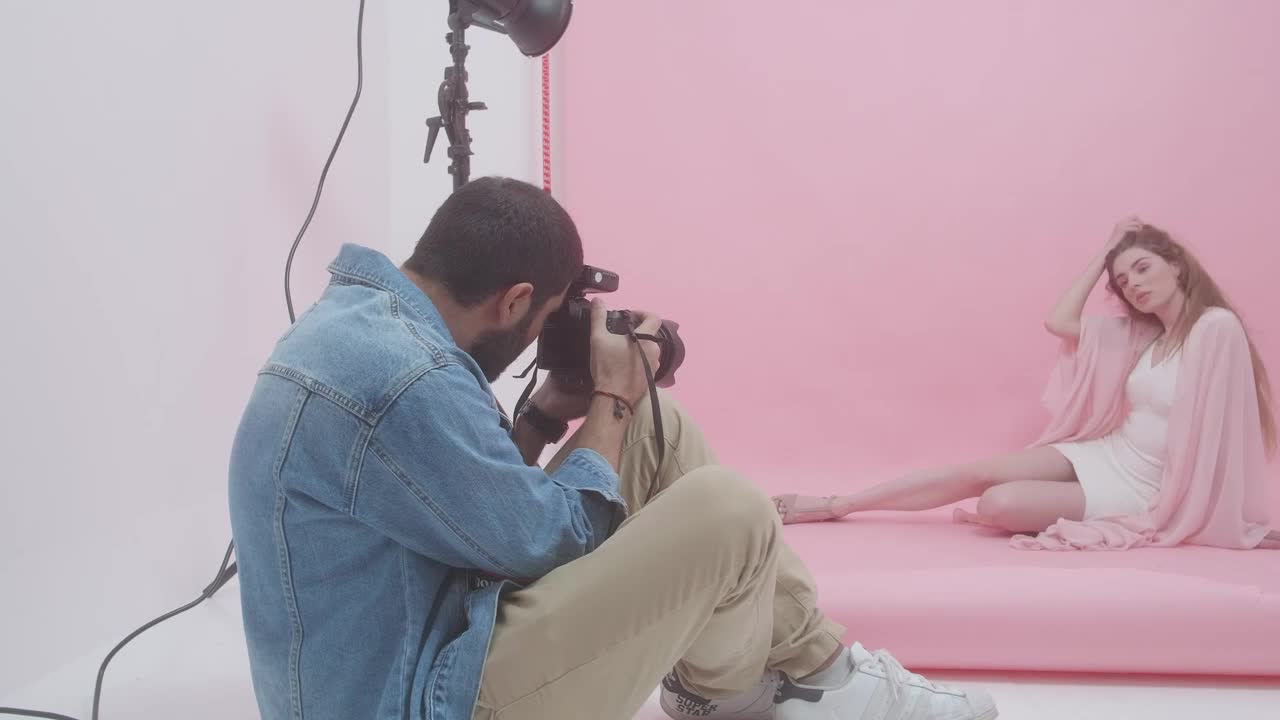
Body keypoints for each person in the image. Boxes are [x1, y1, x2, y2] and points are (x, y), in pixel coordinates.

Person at [227, 177, 997, 720]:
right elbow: (540, 543)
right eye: (547, 317)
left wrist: (538, 420)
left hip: (418, 647)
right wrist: (612, 395)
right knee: (727, 506)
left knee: (660, 431)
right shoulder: (403, 375)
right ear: (516, 299)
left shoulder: (366, 330)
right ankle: (801, 683)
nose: (542, 335)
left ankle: (781, 679)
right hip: (425, 698)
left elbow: (457, 510)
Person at [773, 218, 1279, 551]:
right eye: (1123, 280)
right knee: (975, 472)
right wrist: (1106, 251)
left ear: (1177, 264)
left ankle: (849, 505)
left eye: (1143, 268)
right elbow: (1059, 321)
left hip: (1147, 487)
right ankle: (838, 504)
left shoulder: (1214, 328)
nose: (1135, 284)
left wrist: (1187, 509)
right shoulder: (1143, 337)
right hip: (1107, 452)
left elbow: (1221, 434)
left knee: (999, 503)